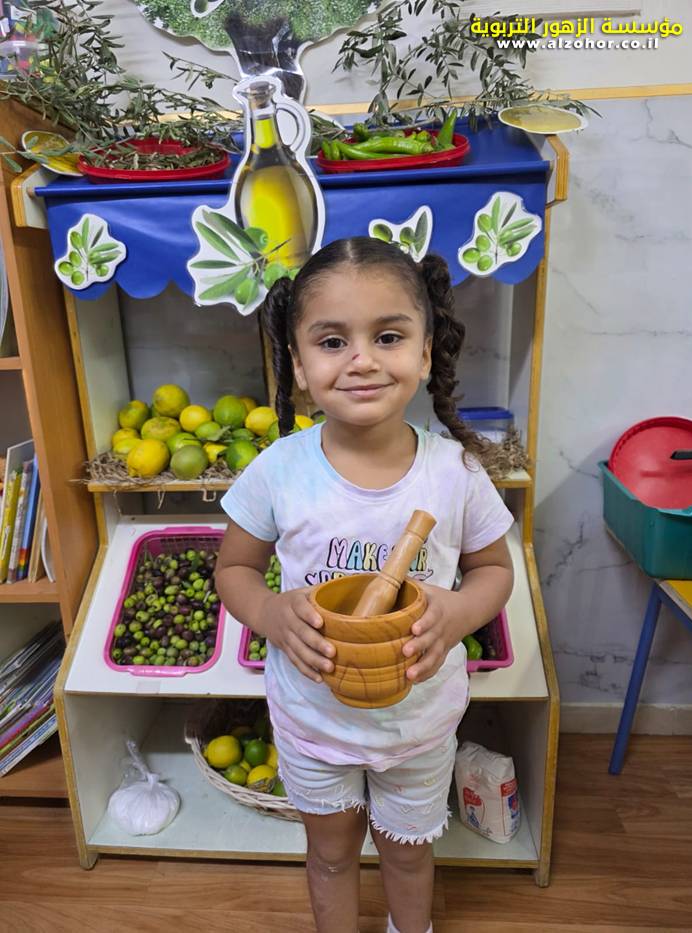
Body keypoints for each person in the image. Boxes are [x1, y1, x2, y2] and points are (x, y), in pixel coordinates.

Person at [216, 237, 514, 933]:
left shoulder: (456, 473)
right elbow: (233, 570)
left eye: (387, 336)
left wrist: (459, 611)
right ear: (298, 364)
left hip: (418, 724)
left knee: (408, 857)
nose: (362, 360)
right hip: (313, 722)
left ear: (425, 351)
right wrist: (271, 611)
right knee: (329, 856)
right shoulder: (278, 470)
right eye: (331, 341)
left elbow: (494, 570)